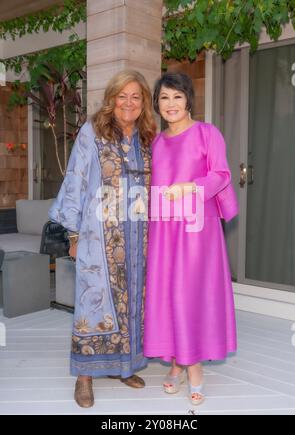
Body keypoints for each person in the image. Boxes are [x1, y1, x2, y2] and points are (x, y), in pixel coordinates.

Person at [49, 70, 156, 408]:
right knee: (92, 301)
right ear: (111, 98)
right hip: (98, 236)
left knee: (134, 303)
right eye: (122, 96)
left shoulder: (148, 136)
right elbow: (76, 179)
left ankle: (123, 367)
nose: (128, 102)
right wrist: (74, 233)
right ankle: (84, 377)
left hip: (140, 237)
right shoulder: (92, 132)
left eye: (135, 96)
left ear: (144, 103)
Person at [144, 72, 238, 406]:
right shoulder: (156, 140)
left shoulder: (206, 133)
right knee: (168, 293)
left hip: (197, 229)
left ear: (188, 100)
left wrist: (190, 187)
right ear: (157, 103)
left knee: (189, 294)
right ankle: (175, 362)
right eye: (164, 97)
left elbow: (222, 175)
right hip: (164, 230)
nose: (170, 104)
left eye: (177, 97)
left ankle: (193, 367)